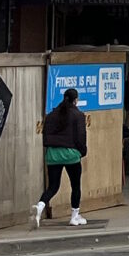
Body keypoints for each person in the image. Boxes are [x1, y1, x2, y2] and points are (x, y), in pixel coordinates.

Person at [32, 88, 88, 228]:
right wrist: (82, 151)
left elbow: (45, 134)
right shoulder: (78, 115)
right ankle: (74, 217)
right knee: (75, 186)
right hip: (71, 154)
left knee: (53, 186)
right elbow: (81, 137)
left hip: (53, 153)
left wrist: (49, 147)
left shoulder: (51, 115)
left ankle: (40, 206)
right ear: (76, 100)